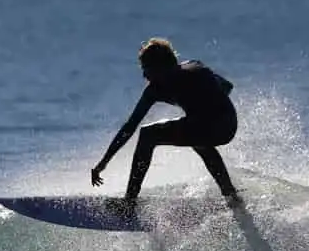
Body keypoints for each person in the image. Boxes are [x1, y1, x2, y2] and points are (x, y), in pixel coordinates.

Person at [91, 38, 242, 208]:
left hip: (222, 124)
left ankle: (129, 203)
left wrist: (208, 105)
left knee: (149, 134)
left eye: (146, 69)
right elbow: (130, 126)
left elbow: (226, 86)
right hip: (224, 123)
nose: (144, 75)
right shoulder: (155, 89)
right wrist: (103, 163)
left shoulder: (195, 71)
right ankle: (231, 195)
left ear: (161, 67)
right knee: (198, 139)